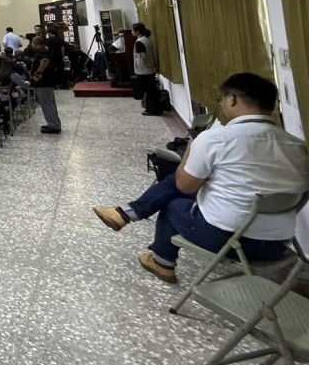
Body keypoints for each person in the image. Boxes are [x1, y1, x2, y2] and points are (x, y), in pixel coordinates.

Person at [93, 73, 309, 283]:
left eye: (222, 98)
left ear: (232, 99)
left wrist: (190, 150)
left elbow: (184, 186)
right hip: (277, 245)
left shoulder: (217, 138)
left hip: (228, 240)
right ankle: (125, 213)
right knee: (191, 187)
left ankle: (161, 261)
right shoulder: (297, 146)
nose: (222, 103)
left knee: (172, 202)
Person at [29, 36, 61, 134]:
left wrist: (38, 73)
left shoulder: (41, 53)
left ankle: (53, 126)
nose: (31, 45)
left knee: (46, 104)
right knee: (50, 104)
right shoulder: (45, 51)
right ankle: (54, 123)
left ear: (36, 43)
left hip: (43, 82)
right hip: (47, 82)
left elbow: (45, 61)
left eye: (32, 43)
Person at [132, 22, 162, 115]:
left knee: (149, 91)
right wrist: (155, 66)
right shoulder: (148, 40)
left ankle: (153, 110)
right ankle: (154, 108)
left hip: (144, 70)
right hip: (150, 69)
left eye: (133, 30)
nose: (132, 32)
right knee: (152, 90)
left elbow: (144, 56)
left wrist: (151, 66)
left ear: (137, 31)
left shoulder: (139, 42)